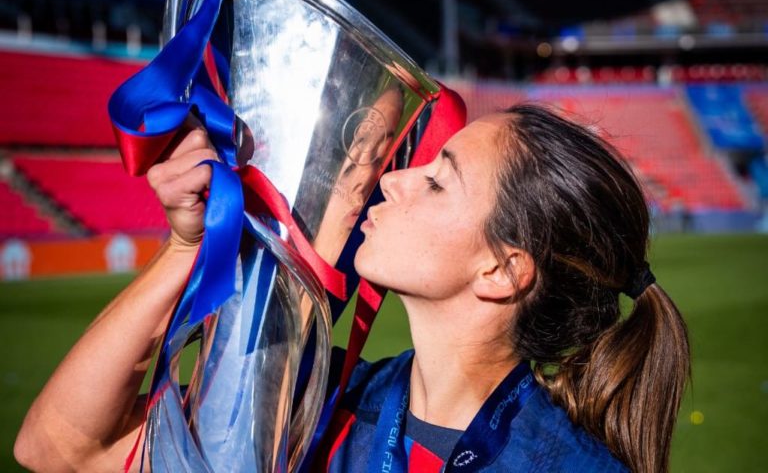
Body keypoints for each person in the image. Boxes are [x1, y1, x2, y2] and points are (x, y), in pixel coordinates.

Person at [14, 103, 690, 473]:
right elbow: (61, 451)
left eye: (435, 179)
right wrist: (188, 248)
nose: (394, 180)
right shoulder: (318, 403)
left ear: (502, 270)